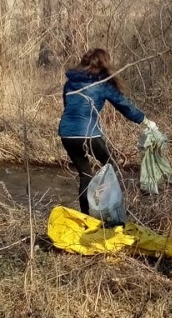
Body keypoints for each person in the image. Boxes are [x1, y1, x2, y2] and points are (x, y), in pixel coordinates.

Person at [58, 48, 156, 214]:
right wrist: (145, 121)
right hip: (89, 134)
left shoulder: (70, 83)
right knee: (113, 167)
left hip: (67, 134)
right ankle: (107, 209)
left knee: (85, 175)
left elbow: (68, 106)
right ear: (104, 63)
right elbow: (124, 106)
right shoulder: (102, 83)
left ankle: (86, 215)